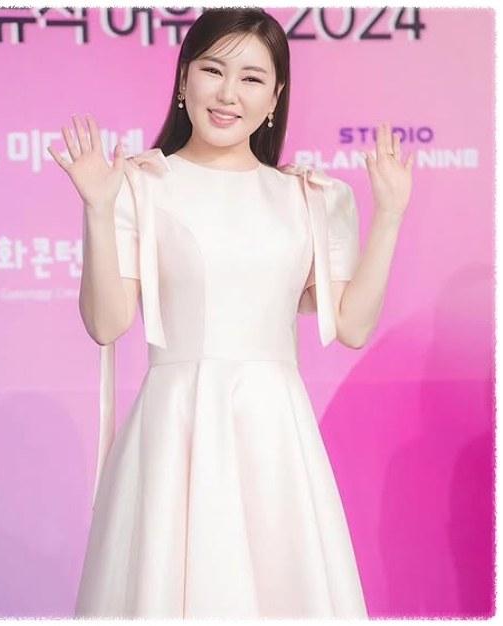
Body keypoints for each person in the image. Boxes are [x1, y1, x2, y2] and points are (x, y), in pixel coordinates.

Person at [48, 7, 412, 620]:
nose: (228, 93)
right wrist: (97, 208)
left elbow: (351, 325)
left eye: (251, 78)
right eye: (213, 70)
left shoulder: (310, 196)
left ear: (275, 95)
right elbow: (106, 324)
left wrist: (391, 214)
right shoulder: (139, 184)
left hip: (273, 430)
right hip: (176, 428)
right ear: (184, 78)